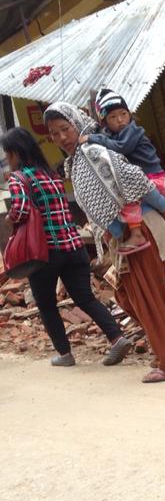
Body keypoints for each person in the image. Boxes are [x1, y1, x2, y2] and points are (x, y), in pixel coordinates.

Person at [44, 102, 165, 382]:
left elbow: (133, 177)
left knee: (148, 298)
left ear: (77, 124)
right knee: (133, 296)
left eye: (65, 129)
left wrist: (161, 203)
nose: (61, 137)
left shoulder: (92, 151)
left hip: (139, 231)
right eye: (54, 133)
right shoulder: (77, 161)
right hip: (125, 235)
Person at [1, 127, 132, 367]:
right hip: (74, 246)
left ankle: (65, 354)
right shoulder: (52, 175)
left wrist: (10, 219)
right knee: (85, 297)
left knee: (47, 304)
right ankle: (117, 336)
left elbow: (20, 210)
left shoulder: (20, 178)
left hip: (44, 254)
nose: (8, 159)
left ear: (16, 152)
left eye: (8, 154)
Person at [85, 88, 165, 255]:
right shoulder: (112, 136)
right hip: (148, 184)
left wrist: (91, 138)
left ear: (129, 114)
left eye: (123, 113)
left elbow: (121, 148)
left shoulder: (132, 130)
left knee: (126, 193)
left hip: (154, 180)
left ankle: (137, 234)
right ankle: (123, 231)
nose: (120, 120)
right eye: (112, 117)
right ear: (105, 121)